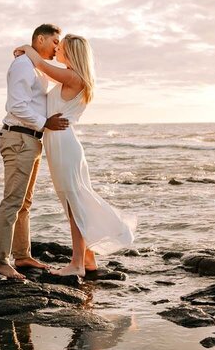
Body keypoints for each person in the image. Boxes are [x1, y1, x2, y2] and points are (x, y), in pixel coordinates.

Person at [14, 34, 136, 277]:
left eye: (61, 47)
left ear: (71, 53)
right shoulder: (71, 76)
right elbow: (42, 70)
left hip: (64, 145)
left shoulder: (73, 77)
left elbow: (39, 64)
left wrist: (27, 48)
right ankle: (88, 260)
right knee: (73, 203)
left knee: (73, 205)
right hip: (60, 143)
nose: (57, 49)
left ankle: (77, 264)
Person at [0, 24, 70, 280]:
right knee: (13, 200)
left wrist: (27, 49)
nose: (58, 47)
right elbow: (17, 105)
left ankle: (22, 255)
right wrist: (45, 123)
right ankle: (0, 260)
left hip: (31, 140)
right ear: (41, 39)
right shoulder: (23, 65)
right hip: (19, 137)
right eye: (55, 41)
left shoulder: (34, 65)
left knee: (24, 202)